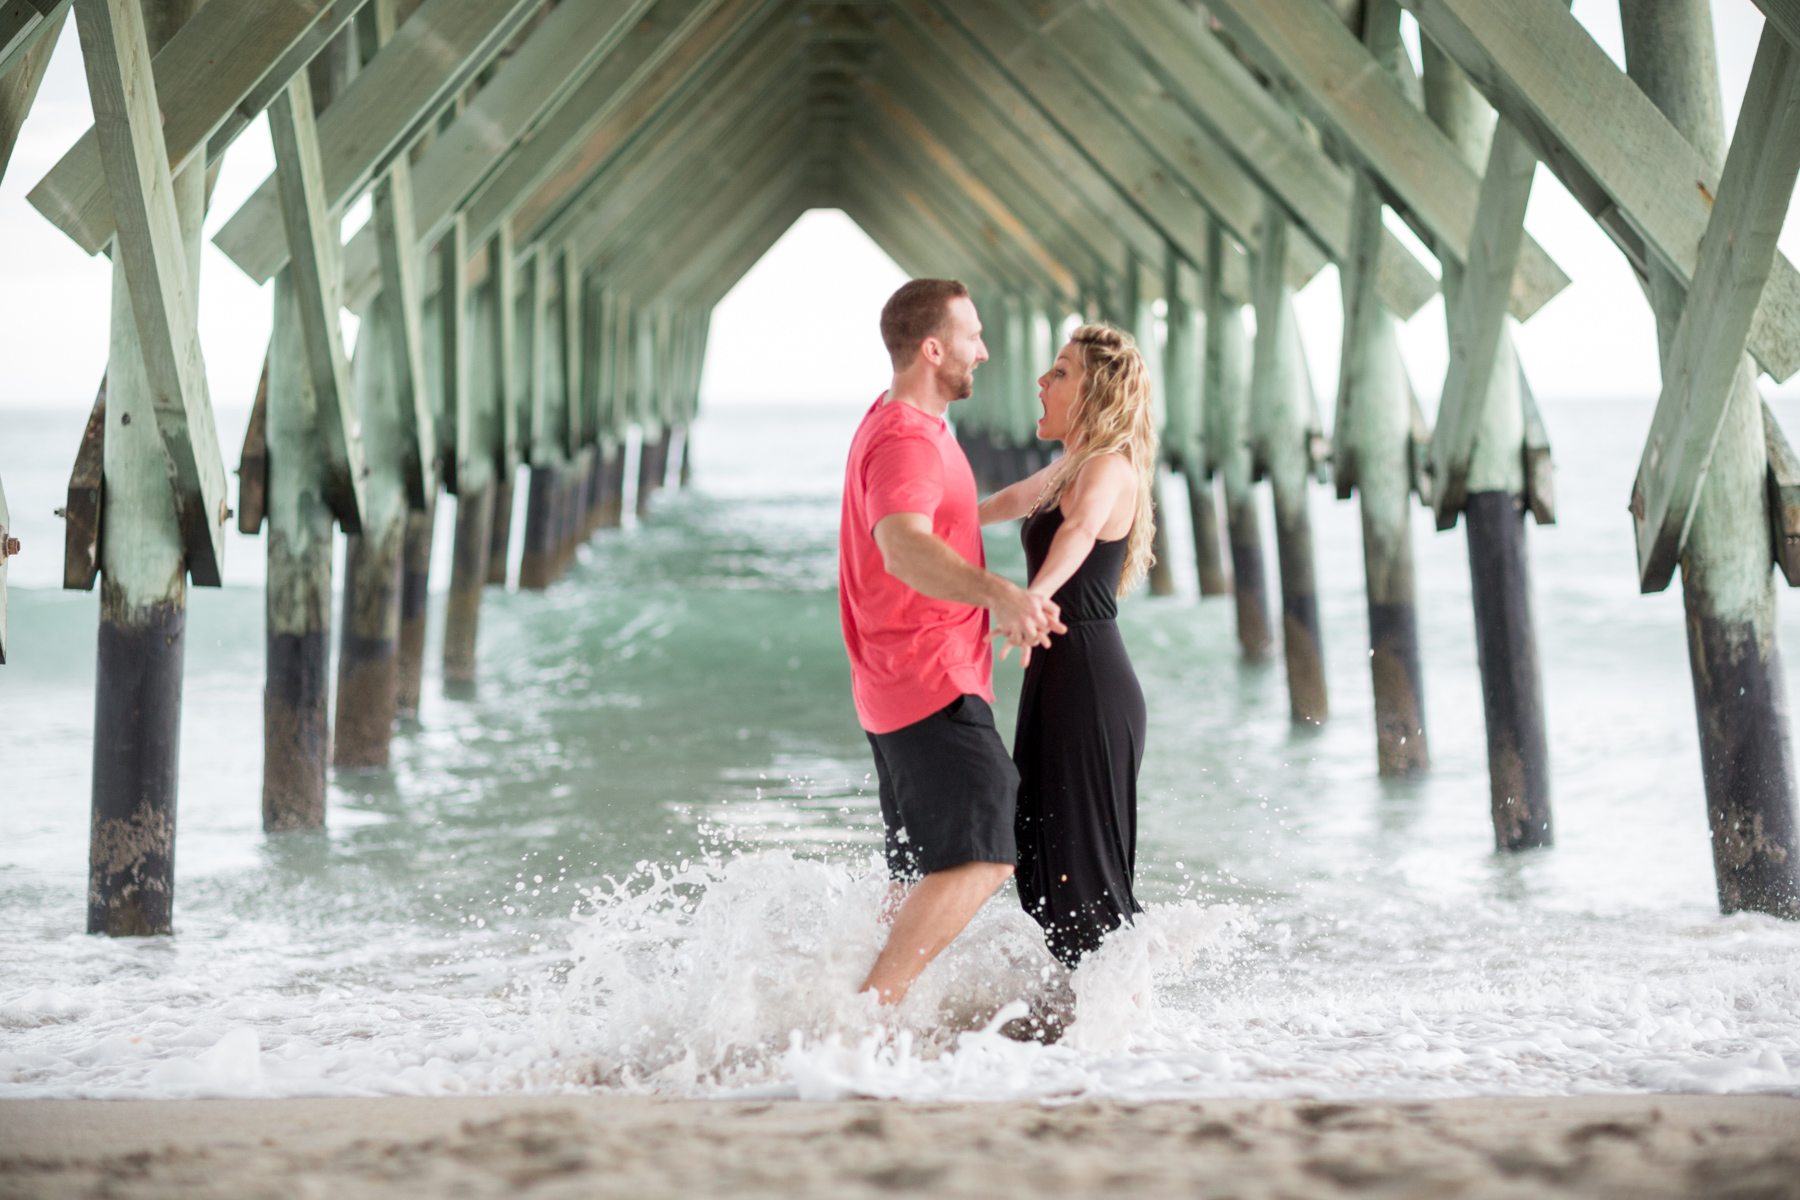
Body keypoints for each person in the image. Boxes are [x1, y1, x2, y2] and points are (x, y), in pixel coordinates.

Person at [841, 279, 1064, 1006]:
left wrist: (1058, 478)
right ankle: (871, 1009)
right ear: (932, 349)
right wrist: (1005, 594)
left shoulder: (913, 423)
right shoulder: (905, 435)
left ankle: (850, 1001)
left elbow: (946, 519)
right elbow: (903, 547)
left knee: (917, 870)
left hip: (894, 682)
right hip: (926, 675)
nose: (986, 351)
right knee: (986, 843)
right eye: (972, 336)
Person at [978, 324, 1155, 968]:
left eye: (1060, 373)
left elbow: (1079, 534)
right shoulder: (1065, 470)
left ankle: (1124, 1036)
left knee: (1087, 878)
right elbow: (998, 504)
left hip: (1089, 681)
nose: (1041, 382)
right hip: (1057, 678)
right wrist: (909, 532)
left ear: (1095, 391)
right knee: (1042, 860)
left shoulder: (1110, 468)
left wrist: (1036, 594)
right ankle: (1076, 1029)